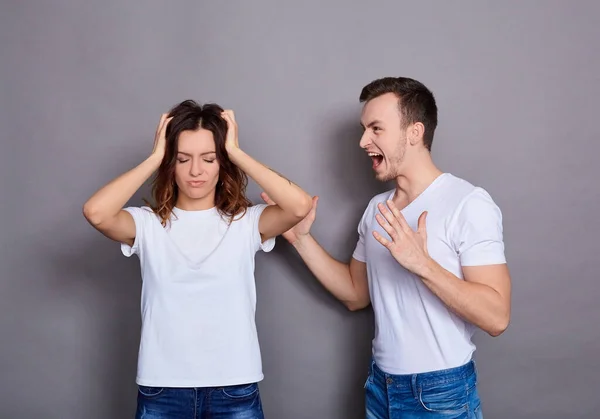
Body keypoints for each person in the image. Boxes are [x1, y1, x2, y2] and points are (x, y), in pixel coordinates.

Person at [262, 77, 511, 418]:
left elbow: (497, 317)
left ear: (415, 132)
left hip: (439, 394)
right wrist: (301, 239)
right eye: (364, 129)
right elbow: (355, 294)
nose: (364, 141)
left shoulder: (468, 203)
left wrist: (422, 265)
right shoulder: (377, 208)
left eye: (376, 129)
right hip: (381, 386)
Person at [82, 100, 312, 418]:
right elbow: (96, 212)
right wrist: (154, 157)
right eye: (182, 159)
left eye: (209, 158)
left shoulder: (247, 222)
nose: (195, 171)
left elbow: (299, 206)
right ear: (170, 163)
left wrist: (236, 151)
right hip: (162, 388)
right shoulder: (147, 224)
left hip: (234, 386)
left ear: (223, 163)